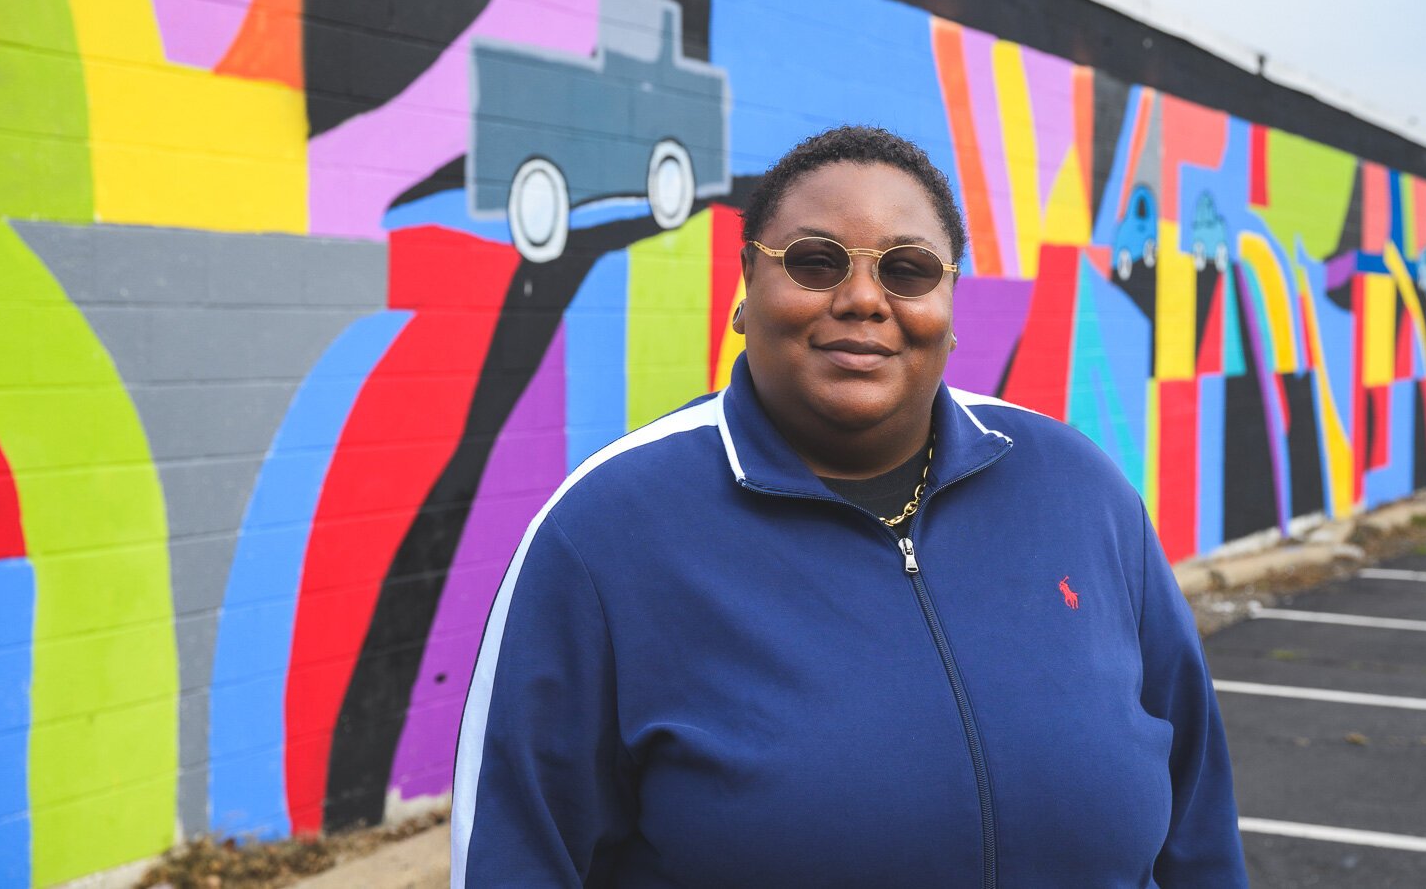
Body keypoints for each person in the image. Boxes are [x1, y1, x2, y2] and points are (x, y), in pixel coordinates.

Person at [451, 126, 1247, 887]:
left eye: (907, 269)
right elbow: (517, 858)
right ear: (746, 287)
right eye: (815, 261)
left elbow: (1198, 820)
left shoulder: (1079, 488)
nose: (864, 297)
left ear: (948, 303)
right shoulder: (602, 534)